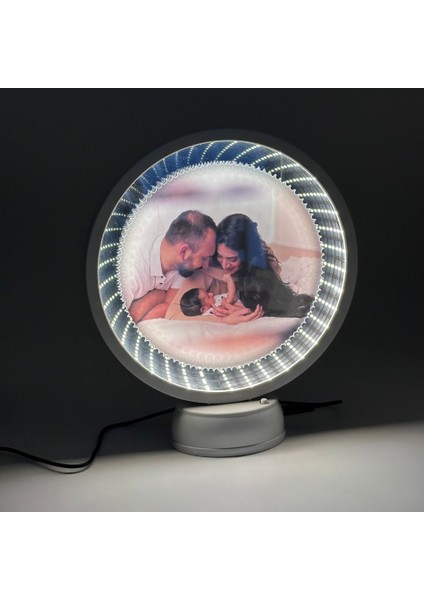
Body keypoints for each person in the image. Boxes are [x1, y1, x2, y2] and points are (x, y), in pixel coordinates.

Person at [213, 213, 313, 318]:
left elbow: (276, 303)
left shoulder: (259, 267)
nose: (224, 265)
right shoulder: (210, 257)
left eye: (232, 259)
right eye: (219, 256)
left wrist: (251, 311)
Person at [128, 210, 217, 322]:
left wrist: (154, 297)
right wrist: (157, 296)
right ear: (183, 252)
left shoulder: (183, 267)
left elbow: (168, 307)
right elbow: (123, 320)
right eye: (204, 258)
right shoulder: (132, 266)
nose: (206, 266)